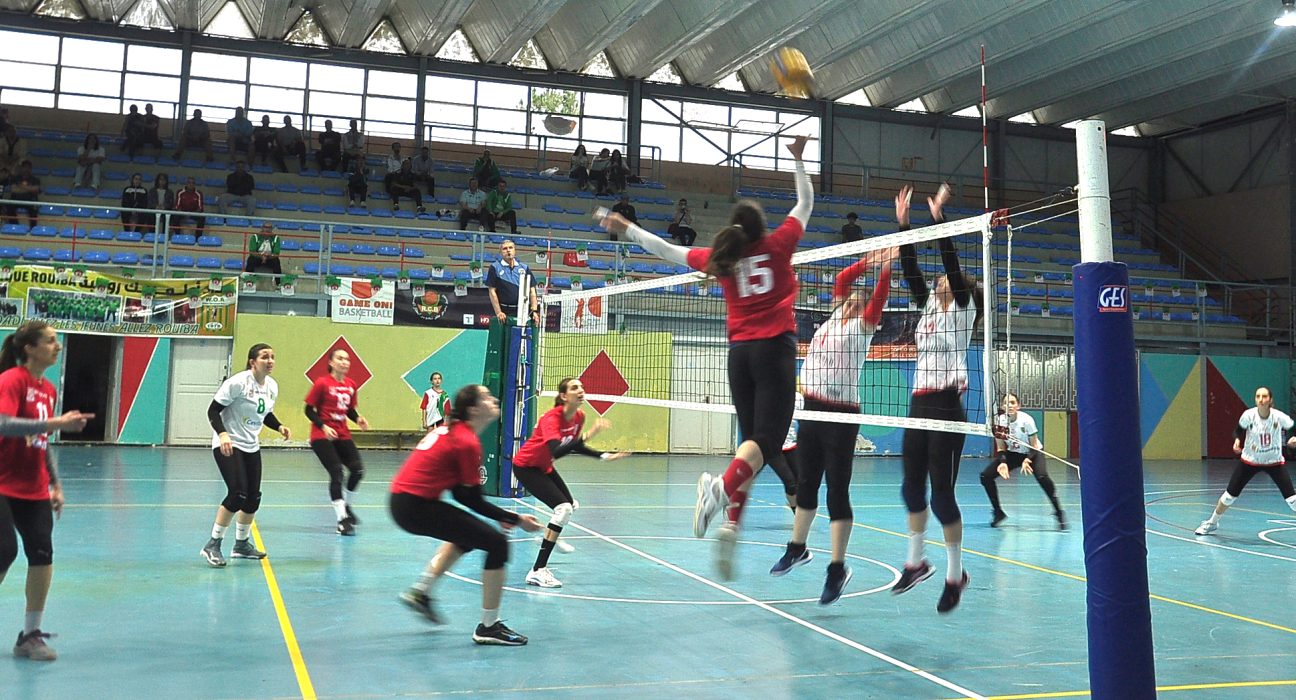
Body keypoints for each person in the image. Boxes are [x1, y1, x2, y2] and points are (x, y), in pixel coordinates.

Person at [601, 134, 813, 580]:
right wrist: (797, 159)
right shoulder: (778, 244)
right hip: (774, 350)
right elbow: (805, 202)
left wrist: (627, 228)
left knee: (751, 444)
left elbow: (666, 250)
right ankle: (719, 489)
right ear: (761, 227)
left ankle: (732, 526)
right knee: (767, 443)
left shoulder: (721, 258)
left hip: (739, 355)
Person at [769, 249, 895, 604]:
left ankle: (837, 569)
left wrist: (886, 267)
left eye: (858, 301)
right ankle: (797, 547)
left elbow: (878, 296)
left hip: (841, 415)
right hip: (812, 410)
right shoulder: (834, 318)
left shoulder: (863, 325)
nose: (851, 301)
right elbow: (842, 279)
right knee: (806, 484)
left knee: (837, 490)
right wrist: (867, 263)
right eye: (849, 299)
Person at [391, 384, 543, 646]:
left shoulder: (453, 432)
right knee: (496, 544)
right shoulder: (466, 441)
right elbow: (470, 499)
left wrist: (502, 517)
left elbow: (460, 493)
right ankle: (489, 626)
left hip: (406, 502)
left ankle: (421, 592)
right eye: (486, 397)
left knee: (466, 536)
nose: (493, 399)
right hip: (415, 506)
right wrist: (516, 519)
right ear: (473, 409)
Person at [891, 182, 980, 614]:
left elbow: (950, 260)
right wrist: (904, 226)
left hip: (946, 405)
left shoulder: (963, 308)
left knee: (942, 496)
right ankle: (916, 562)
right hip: (919, 403)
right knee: (911, 488)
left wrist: (939, 219)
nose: (940, 279)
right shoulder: (929, 304)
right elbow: (911, 269)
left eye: (945, 278)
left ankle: (954, 574)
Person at [0, 321, 94, 662]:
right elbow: (3, 423)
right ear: (30, 348)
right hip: (1, 482)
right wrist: (56, 423)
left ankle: (30, 635)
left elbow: (41, 442)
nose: (58, 346)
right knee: (4, 551)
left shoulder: (48, 389)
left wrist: (55, 483)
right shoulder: (11, 380)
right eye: (51, 341)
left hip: (33, 485)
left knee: (42, 554)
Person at [513, 378, 630, 588]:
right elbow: (557, 451)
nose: (581, 390)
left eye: (582, 387)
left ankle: (550, 536)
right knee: (563, 509)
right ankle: (537, 571)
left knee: (571, 505)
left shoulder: (579, 416)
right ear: (564, 396)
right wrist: (590, 434)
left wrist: (603, 456)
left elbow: (575, 446)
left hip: (544, 467)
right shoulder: (552, 418)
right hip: (526, 467)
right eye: (575, 388)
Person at [200, 343, 291, 568]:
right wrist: (223, 434)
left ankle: (241, 545)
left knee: (253, 497)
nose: (270, 361)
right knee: (237, 494)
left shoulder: (272, 386)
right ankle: (212, 544)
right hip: (228, 444)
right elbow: (213, 410)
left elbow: (265, 413)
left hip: (251, 445)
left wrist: (279, 426)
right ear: (252, 362)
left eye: (272, 357)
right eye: (264, 357)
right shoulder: (238, 383)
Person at [1194, 386, 1296, 536]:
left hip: (1274, 462)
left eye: (1264, 396)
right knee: (1229, 496)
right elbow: (1238, 431)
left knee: (1292, 500)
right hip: (1249, 461)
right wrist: (1237, 440)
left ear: (1270, 400)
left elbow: (1292, 429)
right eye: (1258, 396)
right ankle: (1212, 523)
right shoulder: (1248, 415)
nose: (1261, 400)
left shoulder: (1279, 417)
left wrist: (1293, 438)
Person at [305, 348, 370, 536]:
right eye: (340, 358)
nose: (344, 362)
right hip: (322, 435)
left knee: (357, 470)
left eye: (347, 359)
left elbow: (349, 409)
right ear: (331, 363)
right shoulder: (322, 383)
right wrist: (323, 426)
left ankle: (347, 506)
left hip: (342, 434)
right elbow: (308, 410)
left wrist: (358, 419)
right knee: (337, 472)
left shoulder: (351, 385)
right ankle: (342, 520)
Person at [981, 393, 1065, 530]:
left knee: (1042, 477)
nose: (1009, 405)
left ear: (1018, 406)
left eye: (1013, 402)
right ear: (1002, 406)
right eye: (1006, 403)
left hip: (1032, 453)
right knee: (985, 476)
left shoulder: (1026, 421)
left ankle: (1058, 511)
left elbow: (1034, 446)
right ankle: (998, 512)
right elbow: (1001, 447)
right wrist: (1003, 462)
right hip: (1013, 454)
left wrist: (1027, 460)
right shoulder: (1000, 422)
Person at [486, 239, 539, 326]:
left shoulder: (524, 268)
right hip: (504, 312)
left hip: (523, 311)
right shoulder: (494, 267)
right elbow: (492, 292)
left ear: (515, 250)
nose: (508, 250)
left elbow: (532, 291)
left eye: (510, 248)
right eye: (505, 248)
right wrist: (499, 312)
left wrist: (534, 311)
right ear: (500, 252)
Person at [5, 161, 39, 230]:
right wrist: (29, 188)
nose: (26, 169)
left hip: (29, 200)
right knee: (8, 208)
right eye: (24, 167)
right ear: (21, 168)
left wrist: (20, 186)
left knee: (34, 209)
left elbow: (35, 189)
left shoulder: (35, 179)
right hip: (15, 200)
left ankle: (33, 229)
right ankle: (15, 227)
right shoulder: (15, 178)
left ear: (31, 169)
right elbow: (13, 189)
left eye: (28, 167)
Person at [146, 172, 175, 237]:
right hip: (154, 210)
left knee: (168, 216)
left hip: (165, 210)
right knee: (150, 216)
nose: (162, 181)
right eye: (160, 179)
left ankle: (165, 235)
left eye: (164, 180)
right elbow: (150, 202)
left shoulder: (170, 192)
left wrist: (164, 207)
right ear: (157, 180)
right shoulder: (152, 191)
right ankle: (152, 234)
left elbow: (171, 203)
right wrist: (156, 206)